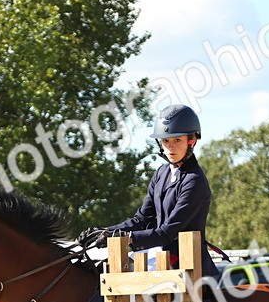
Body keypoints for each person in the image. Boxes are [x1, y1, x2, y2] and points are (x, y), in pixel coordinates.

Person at [79, 103, 218, 278]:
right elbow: (141, 219)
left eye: (177, 140)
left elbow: (166, 233)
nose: (170, 147)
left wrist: (125, 237)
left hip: (186, 262)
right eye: (165, 141)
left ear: (192, 141)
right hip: (159, 255)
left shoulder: (194, 180)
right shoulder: (161, 173)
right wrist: (105, 232)